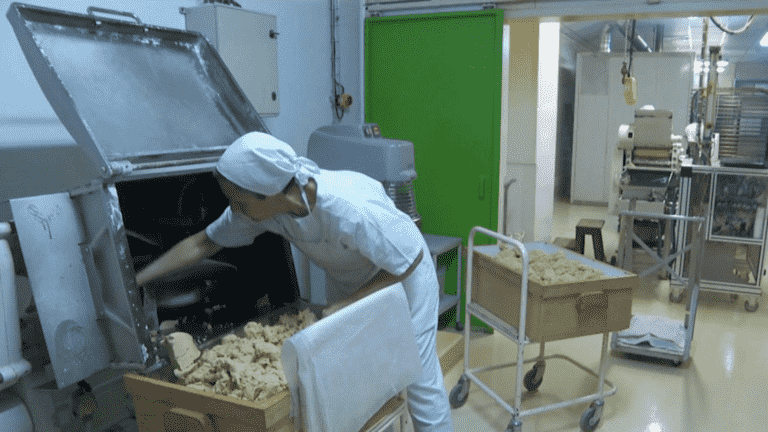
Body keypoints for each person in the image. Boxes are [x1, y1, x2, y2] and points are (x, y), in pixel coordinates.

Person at [135, 131, 454, 431]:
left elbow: (408, 262)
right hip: (352, 281)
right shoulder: (269, 207)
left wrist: (346, 306)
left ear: (268, 193)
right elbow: (203, 242)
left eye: (241, 203)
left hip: (406, 278)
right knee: (354, 374)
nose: (236, 211)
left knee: (420, 377)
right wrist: (137, 279)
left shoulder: (347, 208)